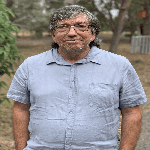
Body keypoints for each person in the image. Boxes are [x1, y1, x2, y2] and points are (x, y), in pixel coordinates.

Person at [7, 5, 147, 150]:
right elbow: (20, 109)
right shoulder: (30, 66)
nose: (72, 33)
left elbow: (132, 111)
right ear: (53, 34)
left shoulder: (119, 66)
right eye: (63, 27)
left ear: (93, 34)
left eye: (81, 26)